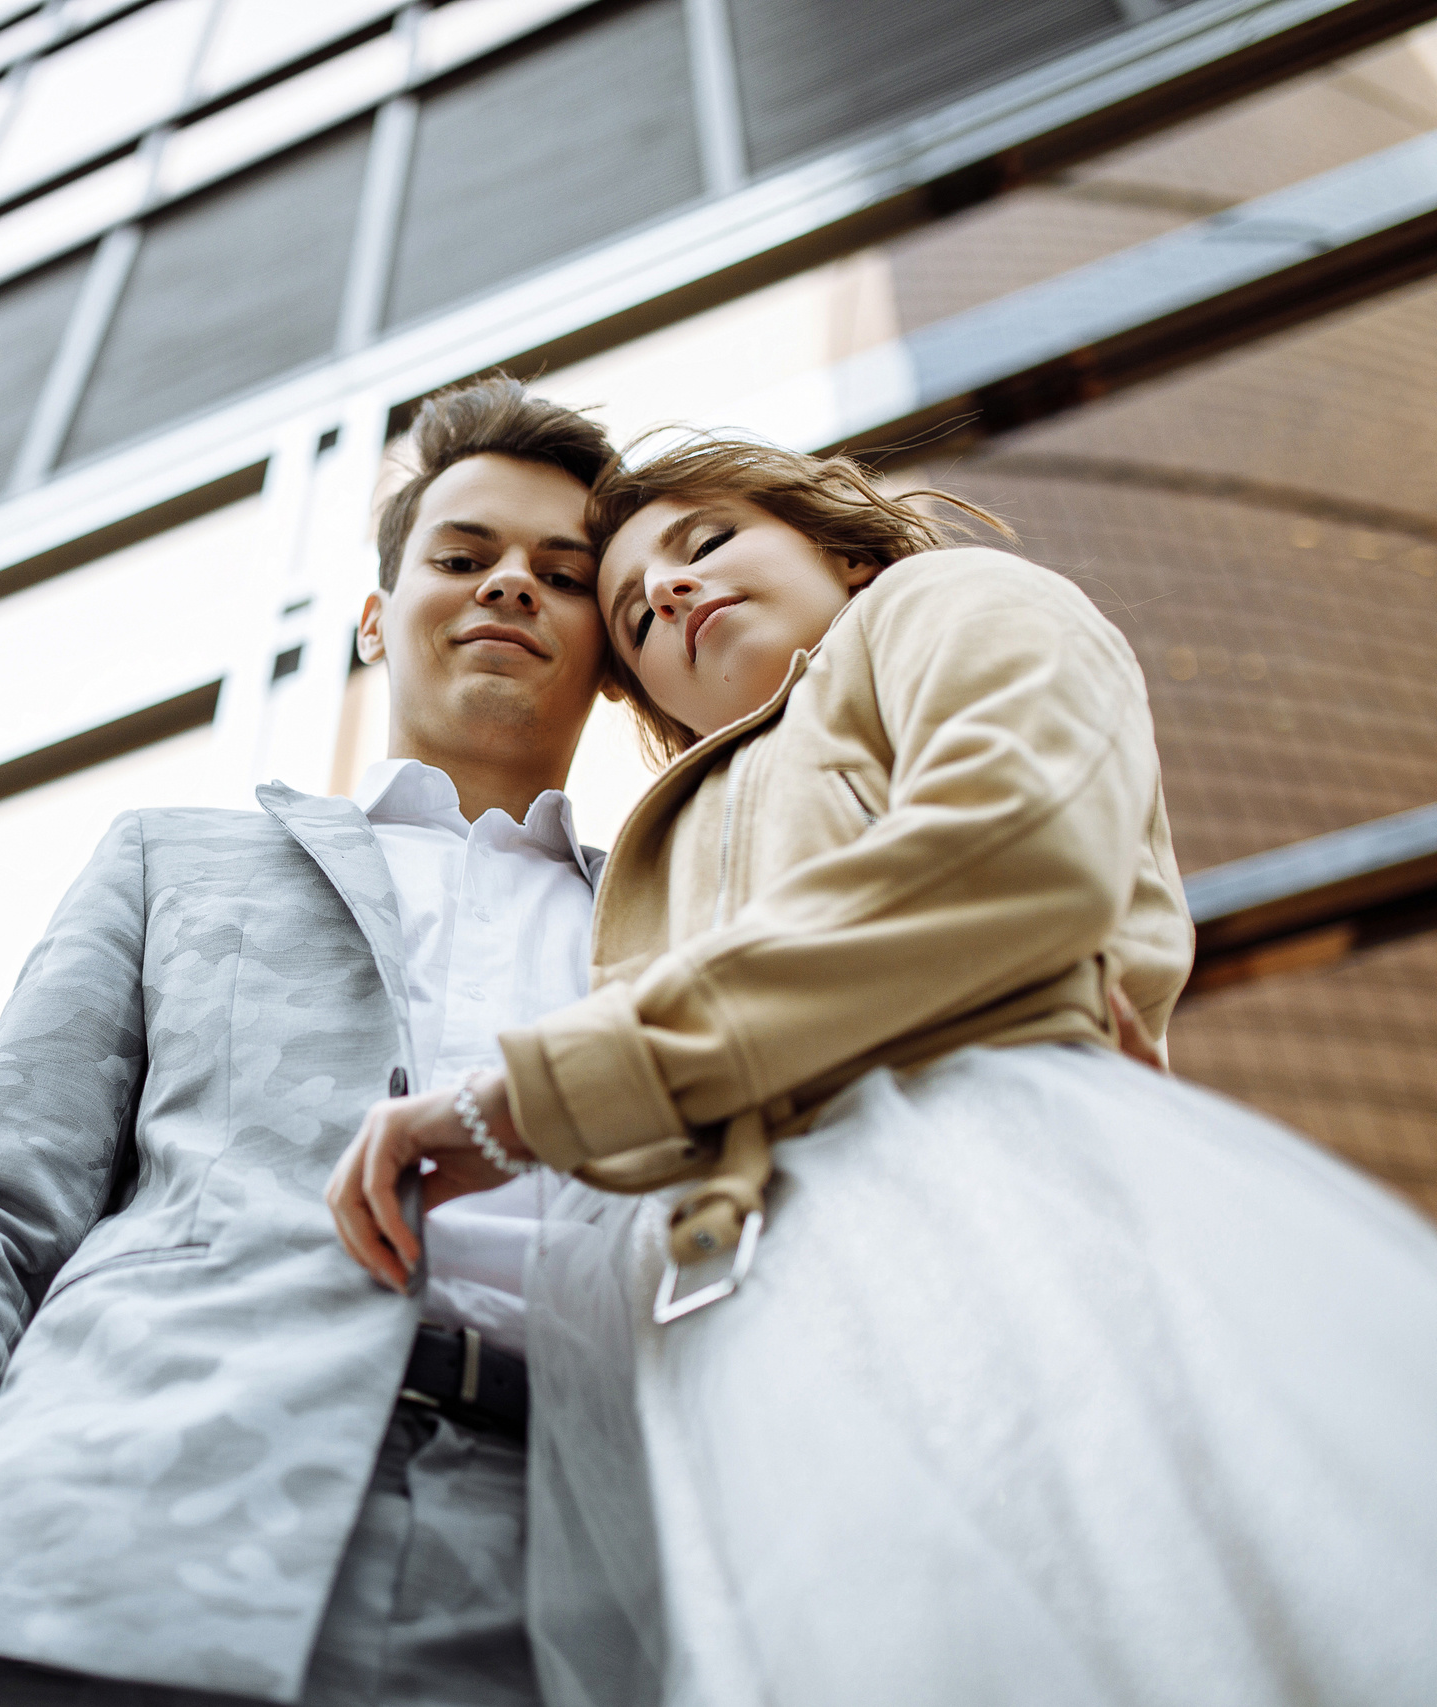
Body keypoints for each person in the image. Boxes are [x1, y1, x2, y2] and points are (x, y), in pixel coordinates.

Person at [325, 435, 1437, 1704]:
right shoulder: (658, 843)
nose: (672, 593)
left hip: (986, 1212)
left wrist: (535, 1098)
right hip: (756, 1332)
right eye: (633, 613)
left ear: (840, 551)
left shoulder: (943, 604)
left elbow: (1014, 854)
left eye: (706, 545)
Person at [0, 377, 652, 1707]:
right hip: (90, 1544)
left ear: (610, 652)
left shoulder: (694, 924)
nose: (508, 585)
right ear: (380, 618)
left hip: (554, 1597)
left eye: (559, 572)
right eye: (463, 555)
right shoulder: (176, 862)